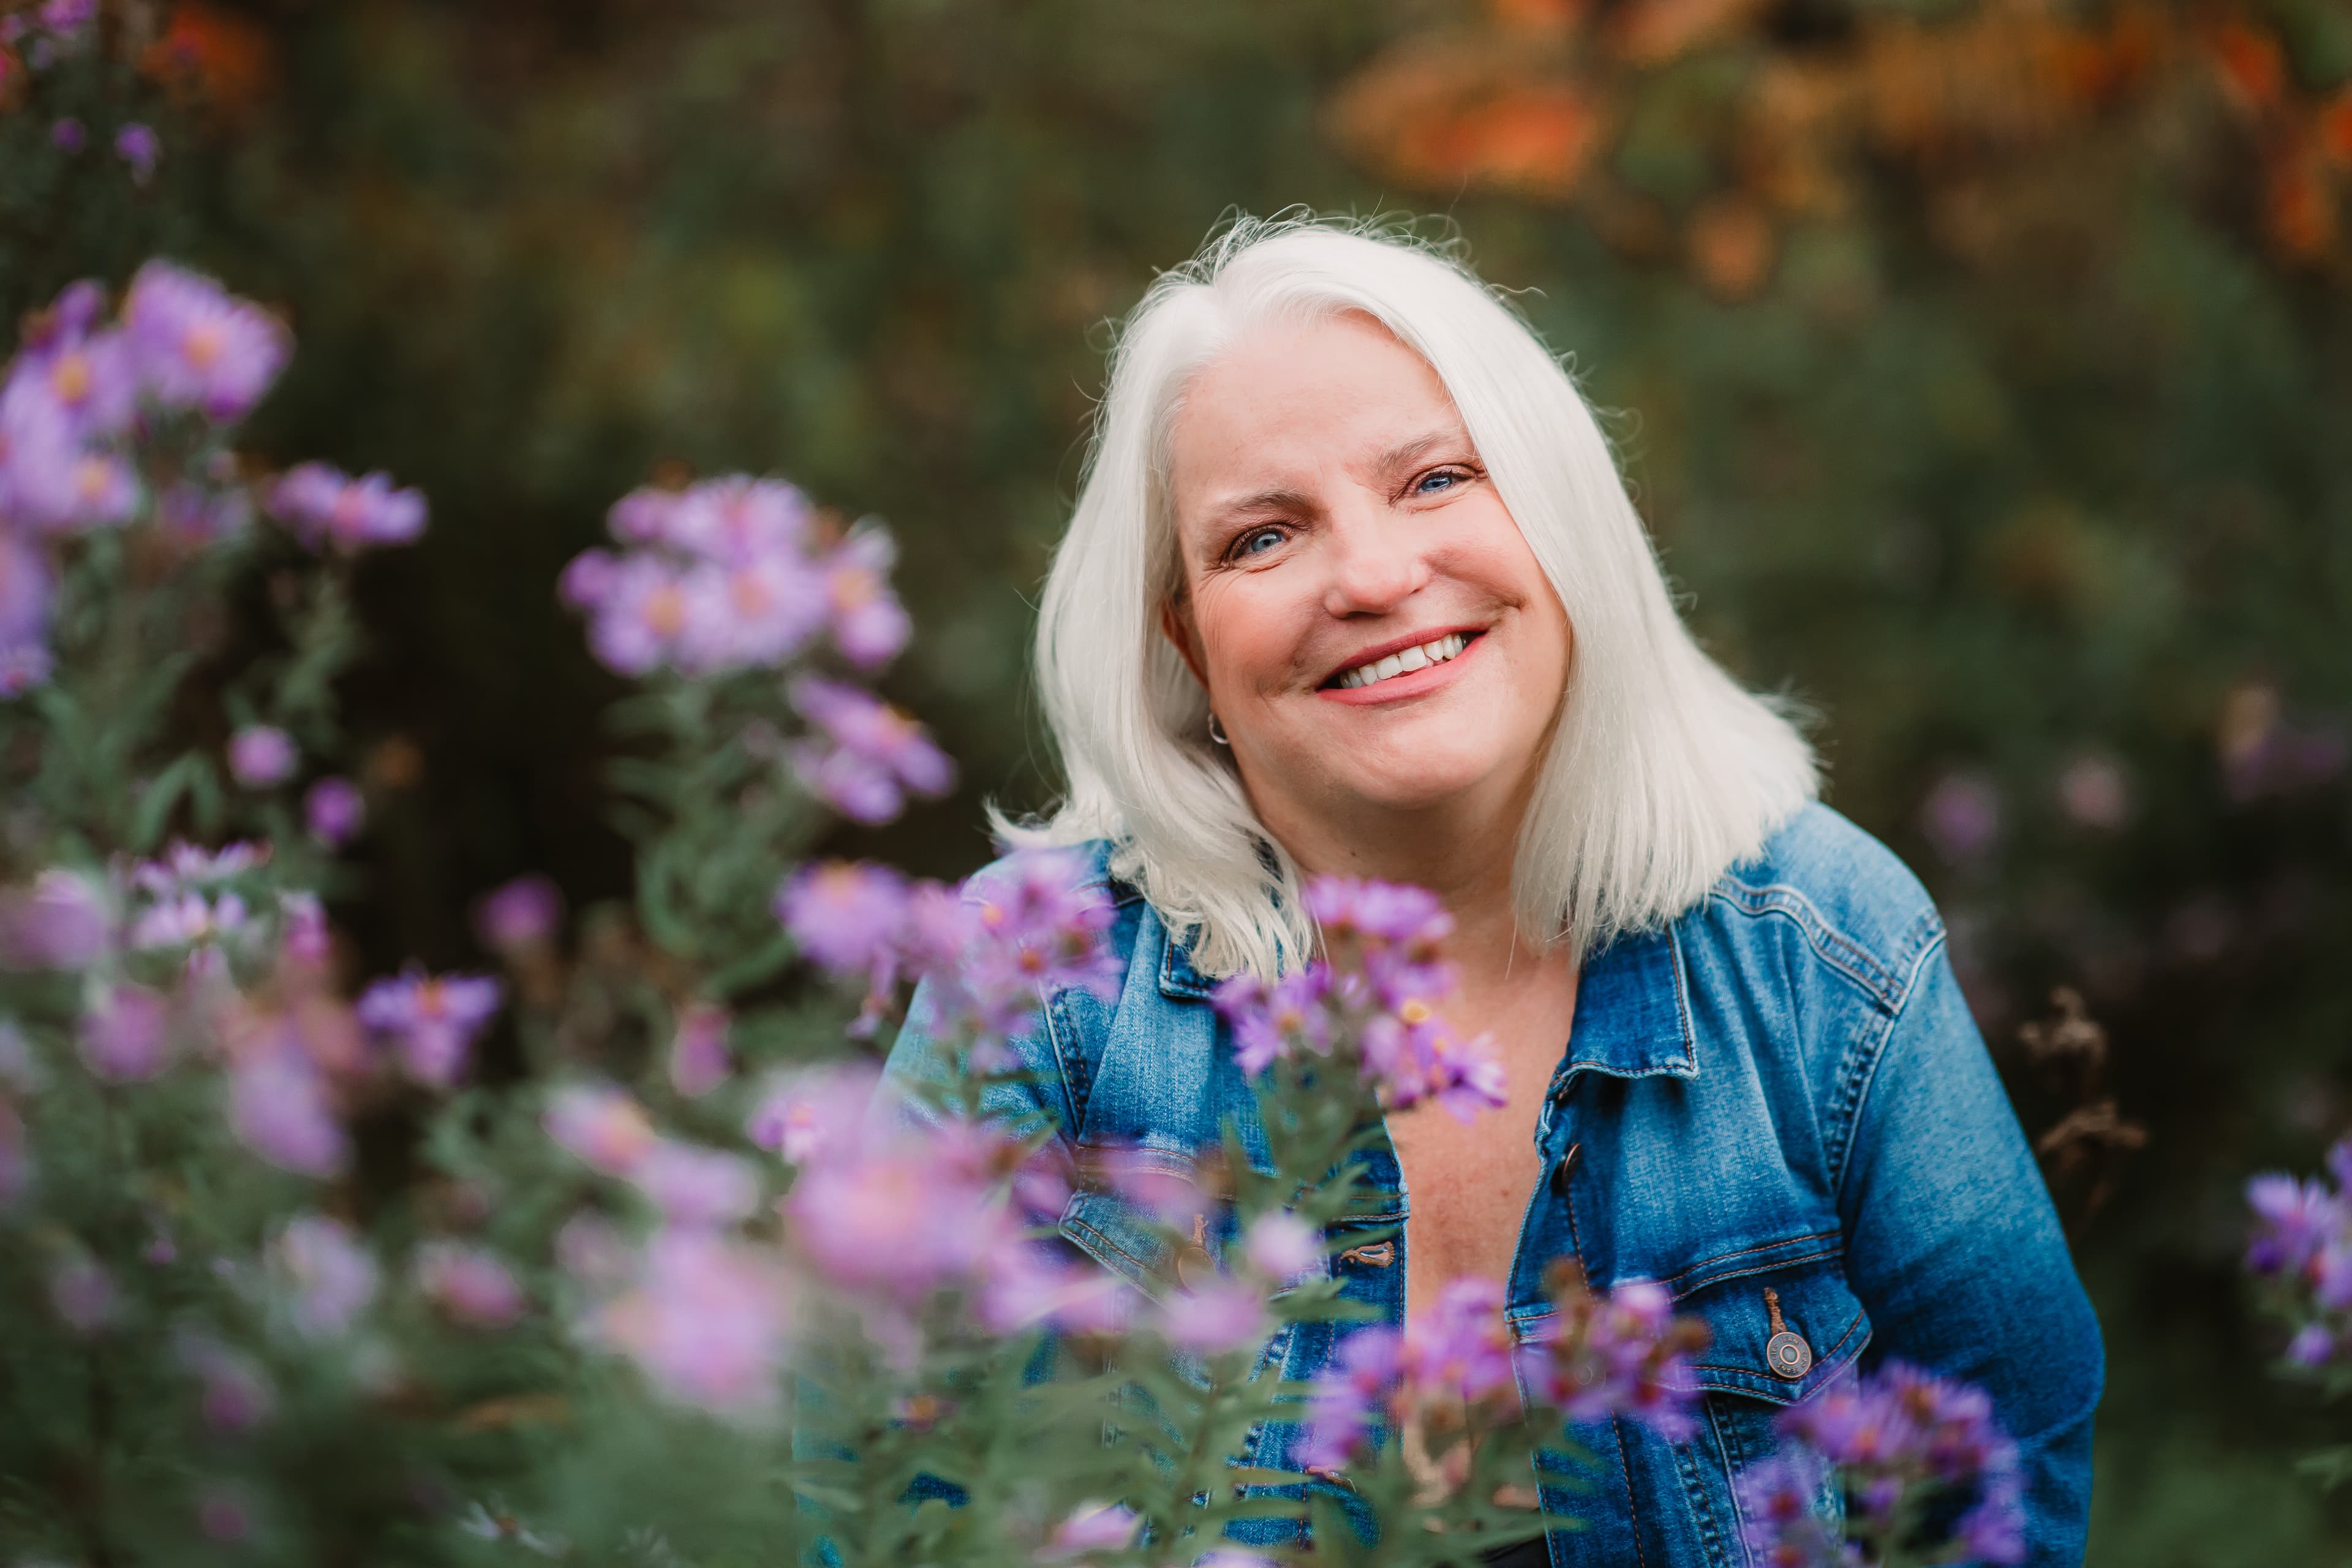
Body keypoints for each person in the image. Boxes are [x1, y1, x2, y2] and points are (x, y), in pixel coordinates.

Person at [883, 216, 2101, 1566]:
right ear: (1186, 638)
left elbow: (2003, 1484)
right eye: (1264, 537)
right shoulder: (1037, 978)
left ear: (1557, 514)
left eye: (1436, 479)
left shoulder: (1826, 951)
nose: (1373, 576)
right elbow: (878, 1499)